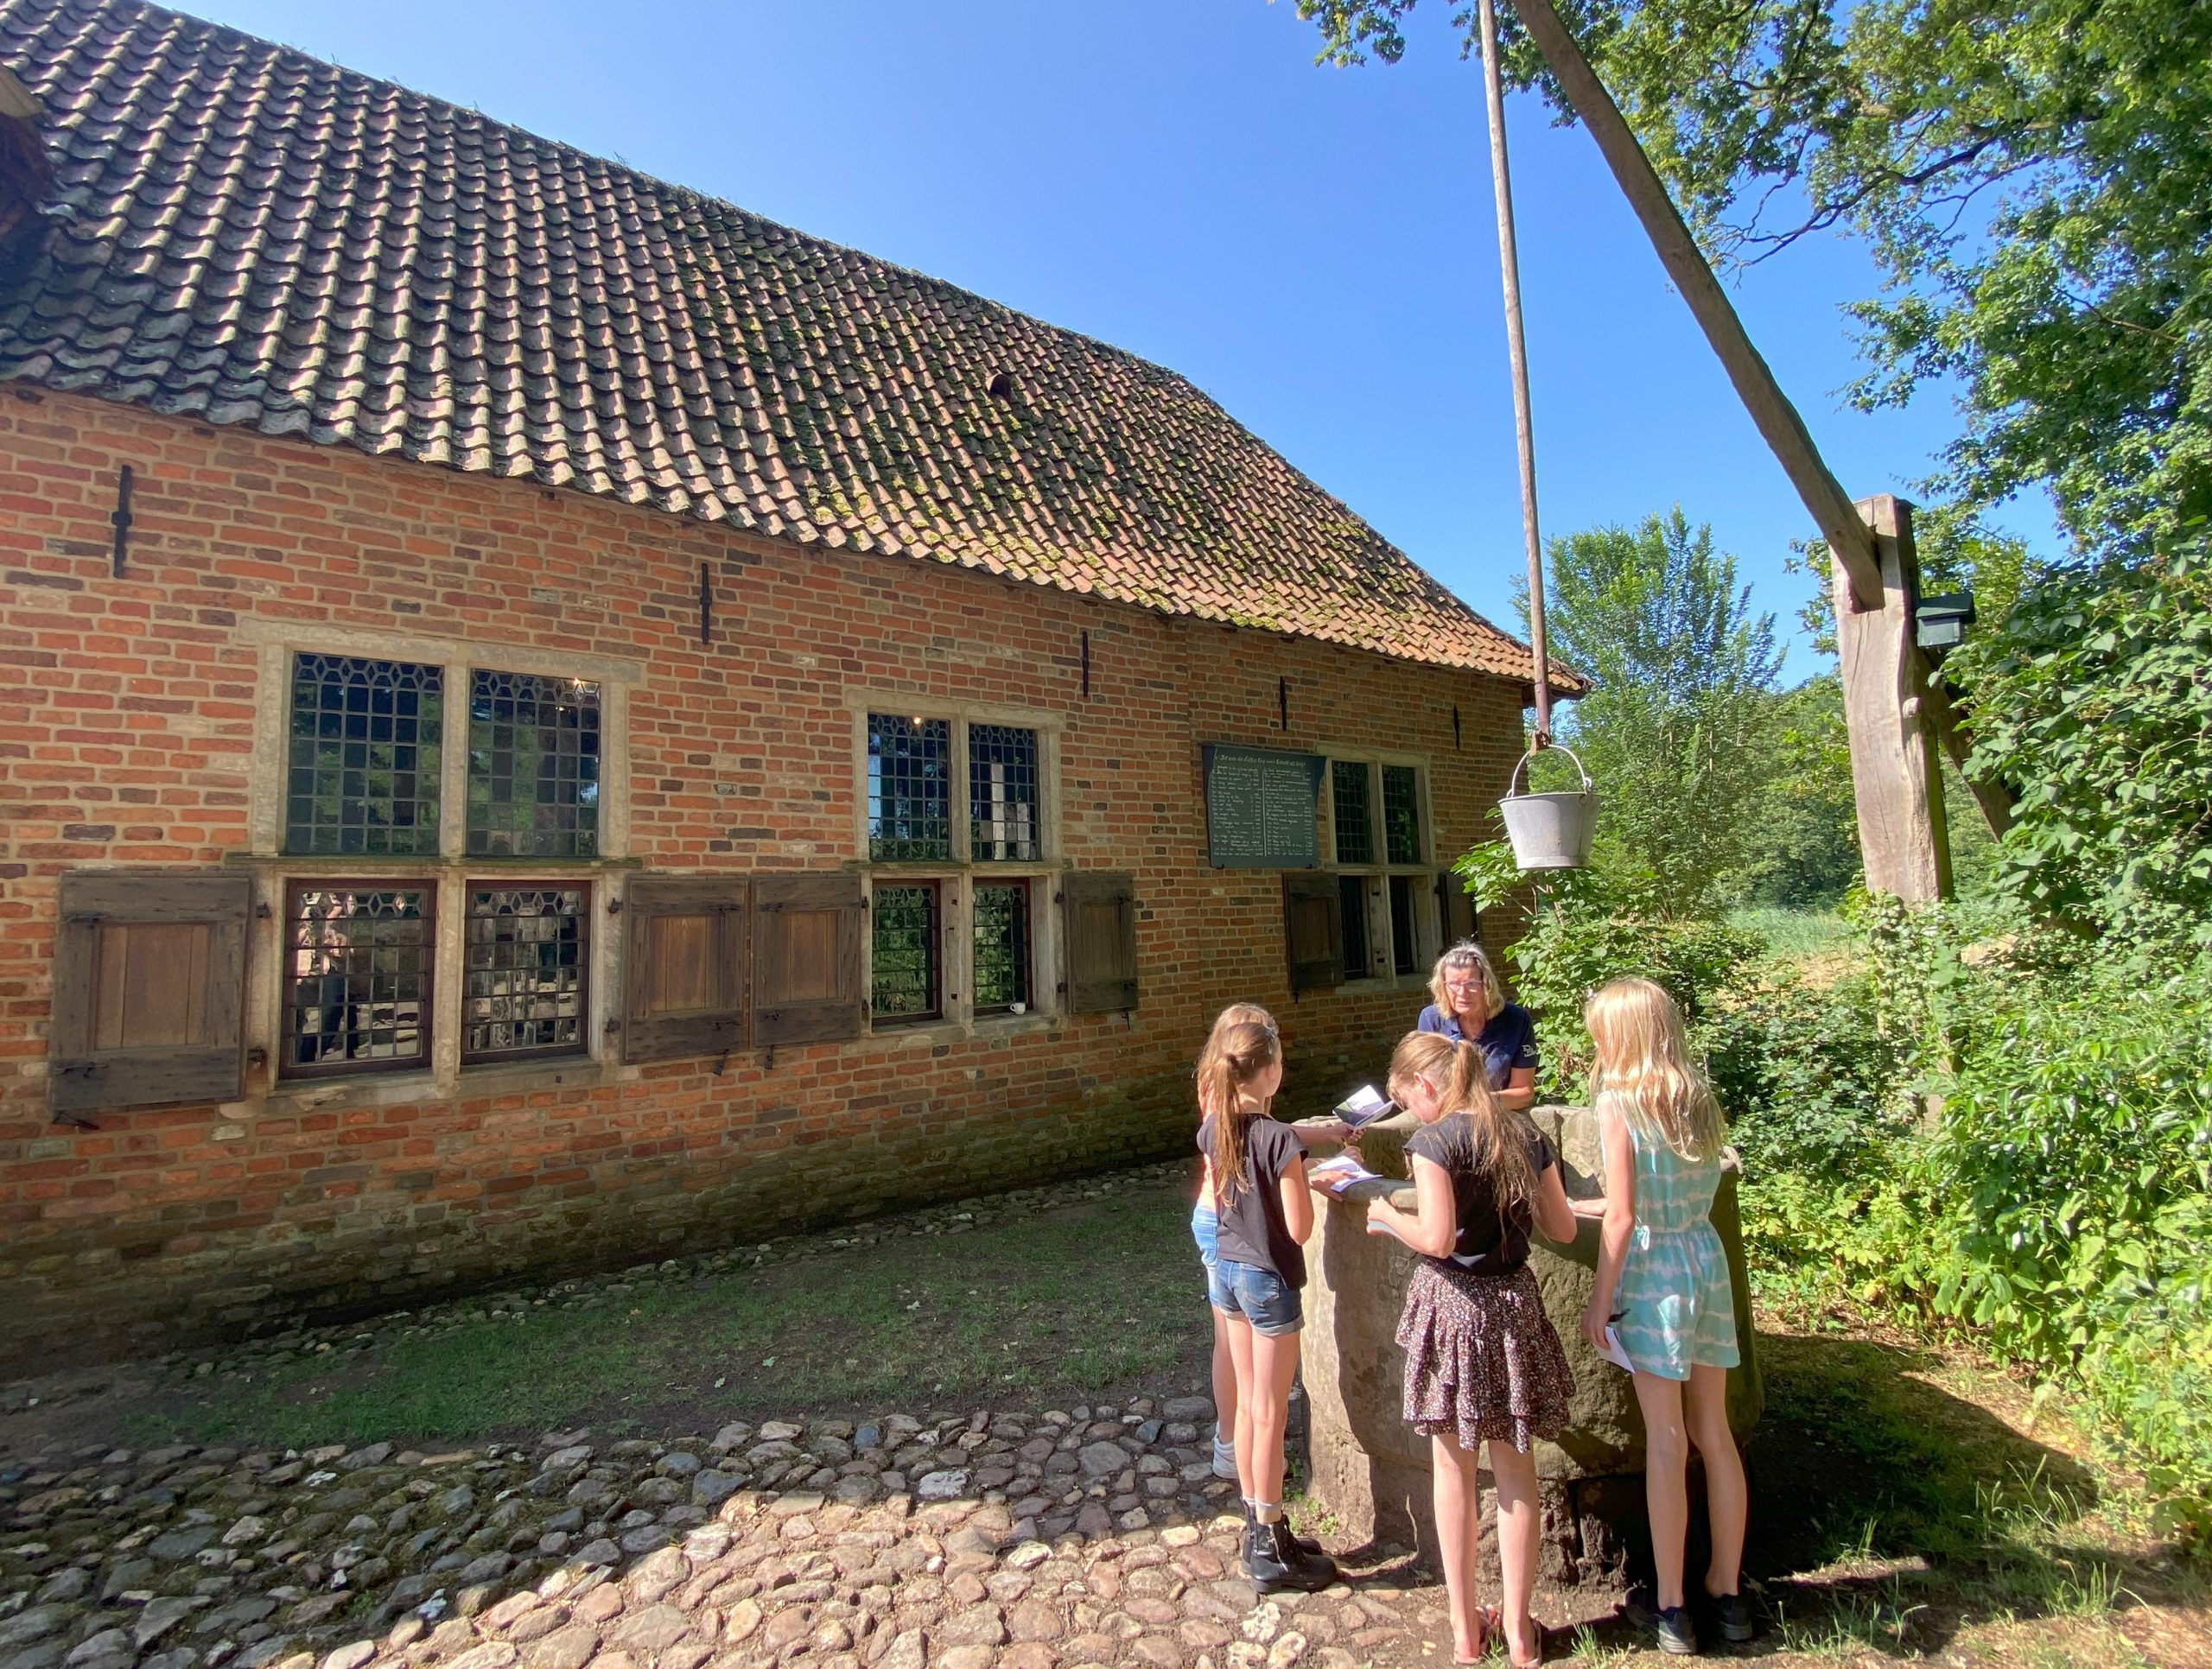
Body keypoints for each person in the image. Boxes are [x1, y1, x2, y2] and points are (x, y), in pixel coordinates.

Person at [1362, 1031, 1578, 1668]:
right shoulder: (1523, 1133)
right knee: (1517, 1472)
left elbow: (1433, 1235)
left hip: (1453, 1311)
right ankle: (1518, 1632)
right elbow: (1561, 1227)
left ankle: (1463, 1632)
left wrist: (1387, 1218)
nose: (1412, 1113)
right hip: (1514, 1306)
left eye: (1410, 1100)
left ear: (1428, 1087)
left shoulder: (1432, 1142)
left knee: (1452, 1471)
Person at [1573, 977, 1753, 1655]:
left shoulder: (1620, 1102)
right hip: (1705, 1260)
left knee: (1667, 1442)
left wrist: (1601, 1297)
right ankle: (1728, 1593)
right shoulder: (1695, 1096)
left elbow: (1622, 1215)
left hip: (1653, 1273)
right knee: (1715, 1432)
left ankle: (1673, 1606)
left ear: (1619, 1035)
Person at [1198, 1012, 1338, 1593]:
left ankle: (1262, 1530)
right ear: (1272, 1073)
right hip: (1267, 1280)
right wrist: (1311, 1183)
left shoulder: (1215, 1128)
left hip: (1228, 1276)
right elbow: (1299, 1228)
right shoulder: (1280, 1139)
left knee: (1253, 1410)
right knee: (1272, 1410)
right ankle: (1270, 1537)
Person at [1417, 941, 1538, 1111]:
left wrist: (1476, 1104)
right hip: (1445, 1119)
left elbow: (1524, 1093)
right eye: (1453, 984)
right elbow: (1427, 1089)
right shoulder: (1431, 1019)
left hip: (1498, 1118)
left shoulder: (1516, 1020)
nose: (1462, 993)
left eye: (1471, 984)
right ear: (1442, 987)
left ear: (1486, 985)